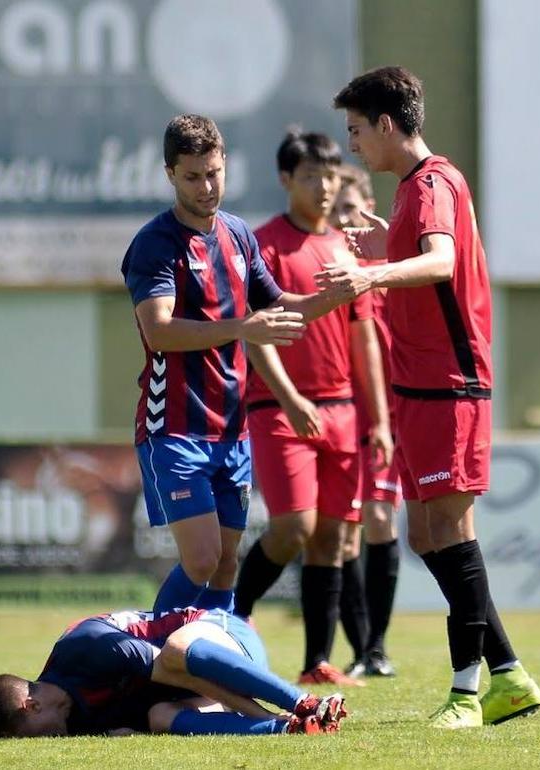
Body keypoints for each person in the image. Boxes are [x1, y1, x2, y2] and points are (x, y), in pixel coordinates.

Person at [315, 66, 540, 729]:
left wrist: (370, 272)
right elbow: (423, 257)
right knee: (429, 535)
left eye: (356, 131)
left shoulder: (434, 183)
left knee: (449, 531)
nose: (353, 144)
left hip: (450, 387)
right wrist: (378, 246)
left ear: (387, 125)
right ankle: (509, 674)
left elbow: (441, 261)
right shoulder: (415, 191)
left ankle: (468, 694)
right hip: (418, 386)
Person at [121, 115, 352, 617]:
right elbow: (160, 330)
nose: (207, 187)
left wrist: (345, 289)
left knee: (227, 564)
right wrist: (243, 328)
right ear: (169, 174)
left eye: (215, 173)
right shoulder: (155, 244)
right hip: (175, 426)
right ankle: (150, 663)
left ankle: (216, 667)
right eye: (193, 177)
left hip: (232, 427)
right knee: (201, 559)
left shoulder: (239, 235)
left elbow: (281, 305)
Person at [231, 130, 392, 688]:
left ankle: (316, 663)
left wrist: (380, 420)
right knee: (292, 527)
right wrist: (290, 398)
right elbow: (257, 335)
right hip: (279, 408)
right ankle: (235, 608)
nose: (322, 187)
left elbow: (364, 340)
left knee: (330, 537)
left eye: (328, 175)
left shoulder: (347, 250)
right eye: (309, 177)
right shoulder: (264, 244)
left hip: (343, 411)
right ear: (285, 181)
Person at [0, 607, 346, 737]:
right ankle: (291, 730)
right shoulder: (74, 721)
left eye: (25, 737)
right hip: (197, 684)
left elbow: (184, 672)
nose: (39, 744)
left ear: (30, 706)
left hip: (221, 636)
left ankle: (304, 703)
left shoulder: (84, 648)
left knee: (174, 654)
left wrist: (261, 713)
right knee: (160, 716)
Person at [332, 164, 403, 680]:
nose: (348, 223)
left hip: (387, 412)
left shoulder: (393, 267)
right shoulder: (328, 270)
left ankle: (376, 646)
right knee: (344, 534)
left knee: (380, 520)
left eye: (354, 211)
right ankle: (360, 650)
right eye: (337, 213)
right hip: (337, 411)